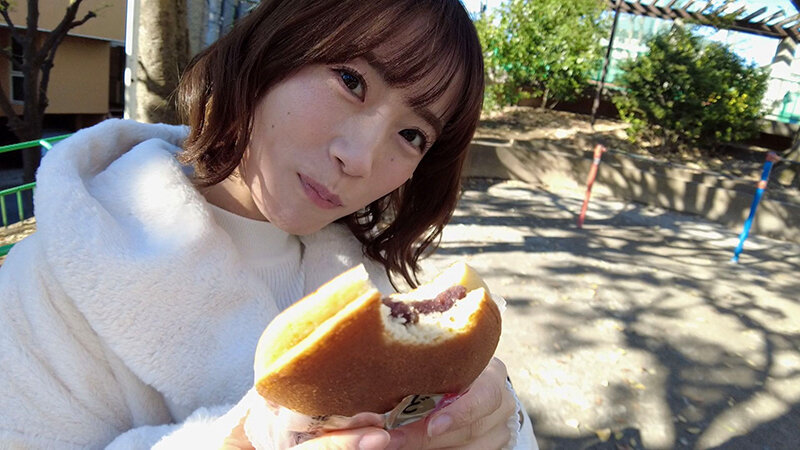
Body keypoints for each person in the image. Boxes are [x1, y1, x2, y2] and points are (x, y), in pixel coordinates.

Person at [0, 0, 537, 448]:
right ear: (271, 50)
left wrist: (495, 423)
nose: (359, 159)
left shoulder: (366, 281)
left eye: (412, 135)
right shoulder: (40, 290)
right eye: (351, 81)